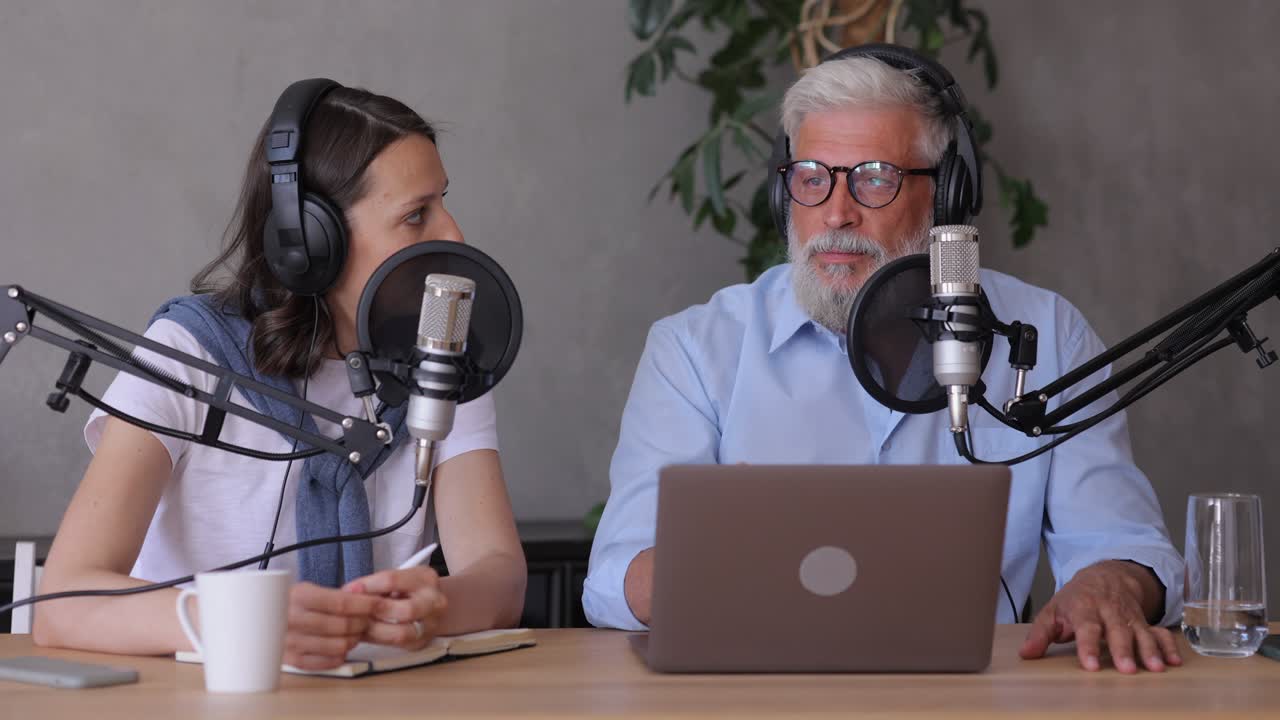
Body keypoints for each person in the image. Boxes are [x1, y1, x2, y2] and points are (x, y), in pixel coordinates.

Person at [584, 47, 1185, 675]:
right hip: (758, 694)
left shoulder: (1046, 334)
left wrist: (1111, 584)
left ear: (947, 198)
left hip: (970, 699)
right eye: (812, 176)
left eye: (874, 177)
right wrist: (732, 557)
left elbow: (1123, 543)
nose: (835, 212)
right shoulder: (696, 348)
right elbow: (611, 581)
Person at [34, 82, 526, 670]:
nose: (453, 234)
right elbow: (64, 604)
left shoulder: (441, 355)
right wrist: (242, 624)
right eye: (416, 215)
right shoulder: (185, 353)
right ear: (310, 242)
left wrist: (434, 604)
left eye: (443, 201)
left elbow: (500, 579)